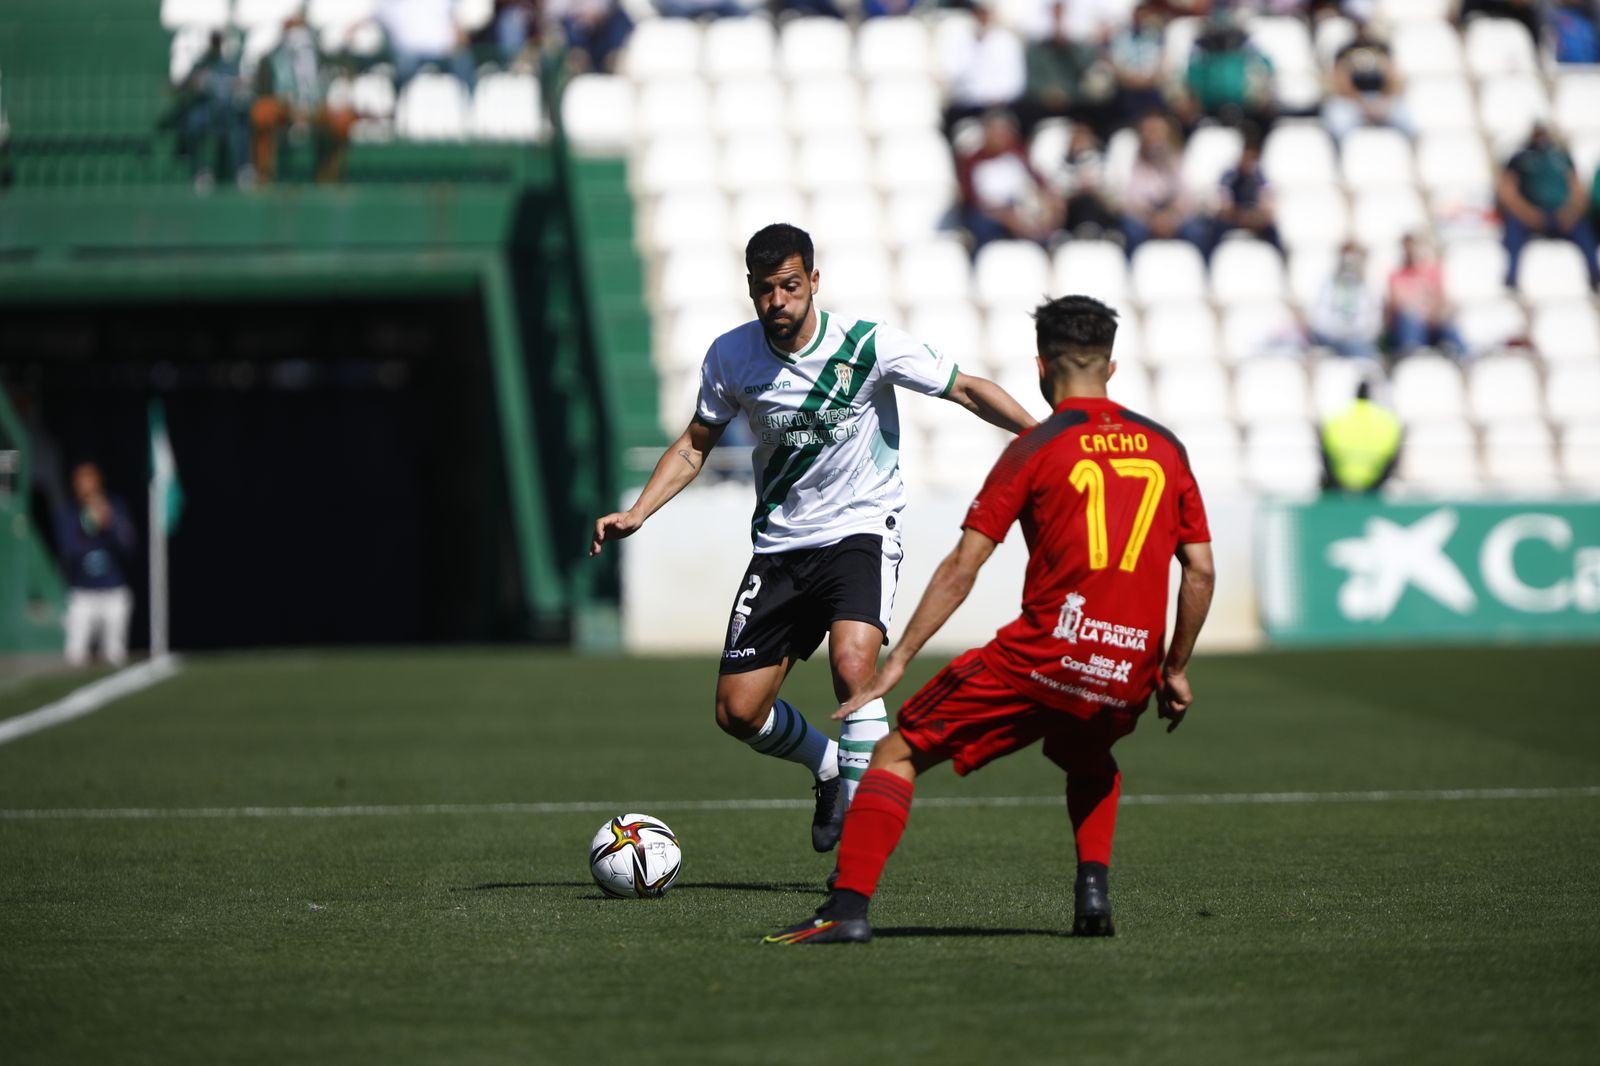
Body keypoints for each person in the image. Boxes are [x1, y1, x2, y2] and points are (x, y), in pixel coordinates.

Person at [762, 295, 1215, 945]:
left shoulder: (1037, 447)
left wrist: (898, 660)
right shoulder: (1166, 447)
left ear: (1041, 368)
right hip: (1127, 666)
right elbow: (1199, 570)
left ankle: (846, 908)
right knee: (1089, 752)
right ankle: (1092, 894)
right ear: (1110, 369)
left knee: (897, 752)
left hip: (1044, 656)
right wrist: (1174, 670)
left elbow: (962, 566)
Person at [589, 224, 1037, 856]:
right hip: (780, 547)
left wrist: (1045, 436)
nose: (779, 301)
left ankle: (859, 853)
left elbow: (966, 387)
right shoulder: (730, 357)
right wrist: (638, 512)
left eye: (791, 286)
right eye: (766, 289)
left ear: (814, 283)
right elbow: (696, 445)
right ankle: (828, 767)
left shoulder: (868, 344)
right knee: (738, 713)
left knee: (854, 669)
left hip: (860, 528)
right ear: (751, 290)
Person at [250, 15, 358, 184]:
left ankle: (329, 179)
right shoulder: (268, 59)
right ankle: (264, 178)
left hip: (318, 108)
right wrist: (289, 105)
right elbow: (262, 92)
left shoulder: (323, 56)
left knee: (343, 118)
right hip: (284, 108)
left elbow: (343, 73)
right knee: (262, 113)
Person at [1497, 123, 1600, 289]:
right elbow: (1508, 193)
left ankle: (1595, 275)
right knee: (1512, 229)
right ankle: (1511, 276)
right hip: (1528, 214)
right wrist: (1529, 214)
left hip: (1562, 215)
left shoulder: (1562, 158)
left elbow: (1577, 191)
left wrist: (1570, 212)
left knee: (1584, 230)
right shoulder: (1518, 159)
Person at [56, 463, 138, 668]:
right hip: (82, 593)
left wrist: (109, 522)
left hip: (113, 592)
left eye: (89, 481)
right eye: (81, 482)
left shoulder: (115, 507)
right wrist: (89, 528)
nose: (85, 487)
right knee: (75, 654)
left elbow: (128, 546)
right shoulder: (70, 513)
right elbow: (68, 550)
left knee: (115, 653)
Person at [955, 110, 1065, 251]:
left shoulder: (1019, 156)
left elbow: (1040, 183)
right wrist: (1007, 217)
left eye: (1004, 132)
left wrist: (1052, 205)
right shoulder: (972, 162)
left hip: (1022, 211)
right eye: (995, 131)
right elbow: (972, 201)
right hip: (990, 216)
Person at [1121, 110, 1208, 254]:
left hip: (1174, 214)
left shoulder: (1179, 159)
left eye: (1157, 131)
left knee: (1196, 229)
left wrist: (1171, 218)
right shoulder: (1132, 160)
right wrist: (1153, 219)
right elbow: (1132, 199)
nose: (1153, 136)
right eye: (1148, 131)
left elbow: (1187, 196)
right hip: (1145, 216)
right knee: (1132, 230)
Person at [1321, 22, 1410, 144]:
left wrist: (1382, 102)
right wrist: (1363, 104)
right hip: (1351, 101)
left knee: (1405, 118)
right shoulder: (1345, 50)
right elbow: (1341, 82)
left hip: (1381, 97)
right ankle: (1343, 156)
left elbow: (1393, 78)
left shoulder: (1382, 48)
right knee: (1338, 121)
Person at [1385, 233, 1465, 357]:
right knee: (1409, 319)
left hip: (1432, 321)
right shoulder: (1396, 275)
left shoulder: (1434, 271)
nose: (1411, 251)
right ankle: (1412, 356)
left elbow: (1441, 300)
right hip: (1412, 323)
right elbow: (1399, 303)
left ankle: (1464, 358)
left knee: (1447, 323)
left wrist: (1429, 312)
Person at [1319, 380, 1402, 493]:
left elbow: (1325, 454)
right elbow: (1393, 457)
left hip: (1338, 486)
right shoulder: (1387, 420)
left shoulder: (1336, 418)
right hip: (1375, 486)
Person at [1308, 242, 1382, 359]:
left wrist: (1354, 332)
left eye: (1353, 257)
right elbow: (1319, 320)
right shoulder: (1327, 284)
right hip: (1332, 338)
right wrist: (1340, 332)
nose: (1349, 261)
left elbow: (1373, 324)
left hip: (1359, 339)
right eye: (1346, 256)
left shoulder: (1369, 286)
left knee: (1361, 349)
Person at [1209, 129, 1280, 251]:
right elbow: (1225, 208)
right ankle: (1210, 259)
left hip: (1253, 217)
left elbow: (1267, 206)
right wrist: (1241, 217)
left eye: (1253, 158)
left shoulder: (1259, 176)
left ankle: (1279, 258)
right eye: (1247, 156)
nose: (1249, 161)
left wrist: (1256, 217)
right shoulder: (1229, 176)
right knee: (1216, 227)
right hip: (1234, 218)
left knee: (1272, 229)